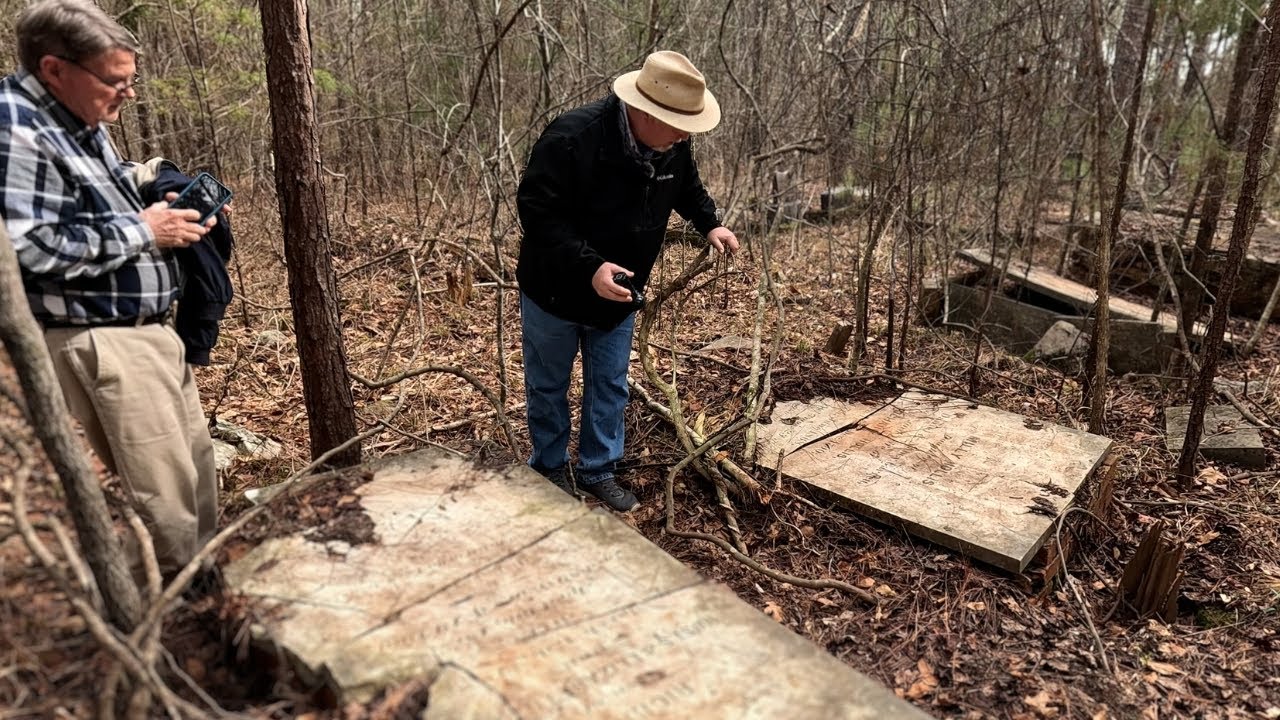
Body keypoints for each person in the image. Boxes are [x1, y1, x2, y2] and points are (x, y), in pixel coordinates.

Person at [0, 0, 219, 580]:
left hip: (148, 332)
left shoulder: (78, 121)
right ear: (54, 69)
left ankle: (208, 607)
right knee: (165, 510)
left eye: (131, 81)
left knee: (195, 481)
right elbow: (27, 246)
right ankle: (157, 634)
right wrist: (144, 230)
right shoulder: (16, 128)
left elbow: (92, 199)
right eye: (114, 81)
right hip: (101, 338)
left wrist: (160, 204)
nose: (126, 95)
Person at [516, 50, 738, 512]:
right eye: (677, 125)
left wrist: (709, 223)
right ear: (643, 110)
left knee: (610, 384)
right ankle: (550, 467)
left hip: (621, 291)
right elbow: (538, 213)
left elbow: (687, 186)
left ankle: (599, 468)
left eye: (688, 128)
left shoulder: (673, 142)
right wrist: (588, 267)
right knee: (548, 383)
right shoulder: (572, 138)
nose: (683, 136)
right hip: (554, 290)